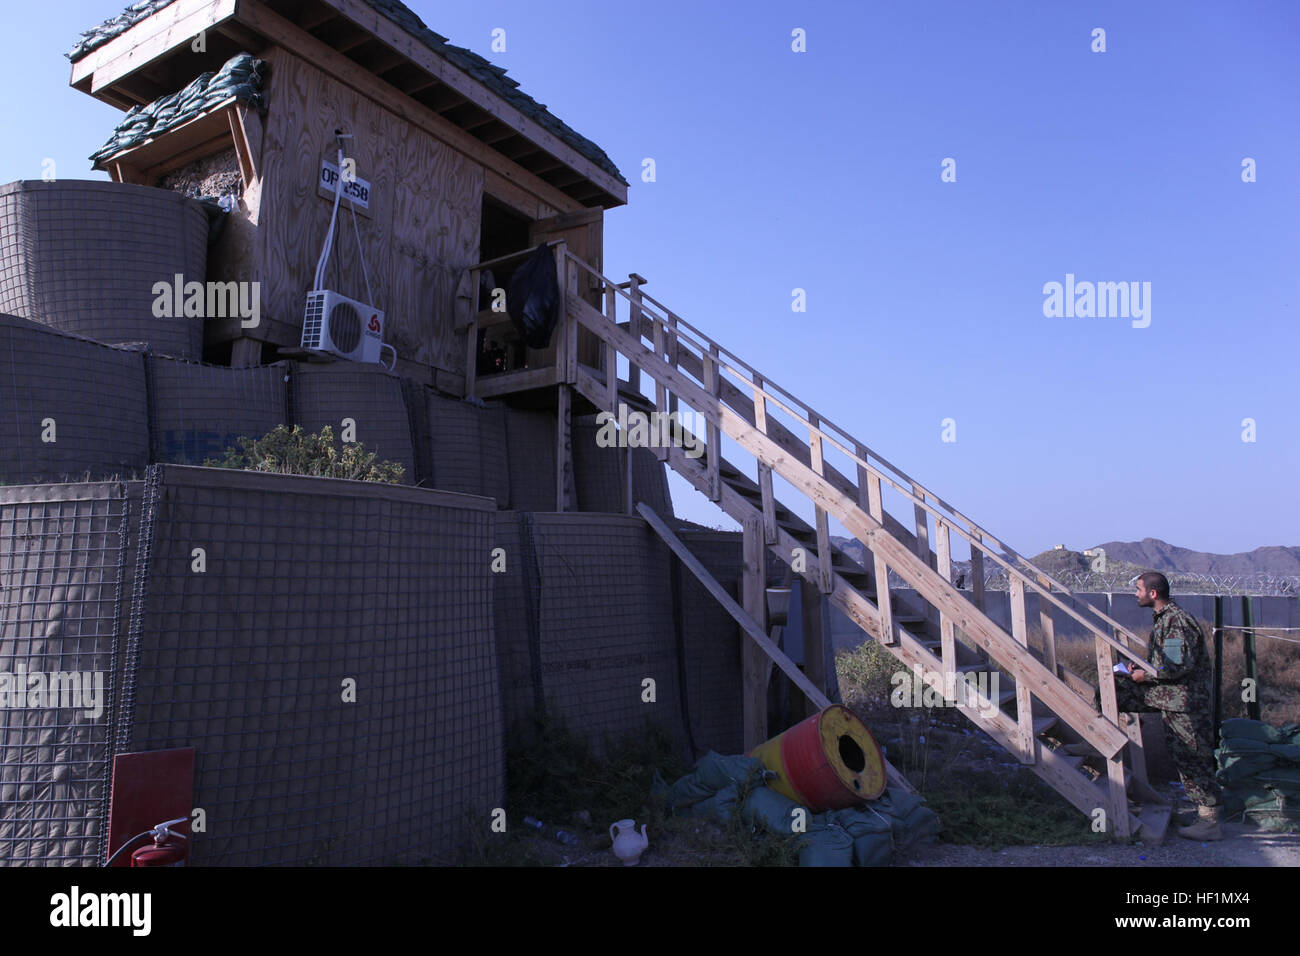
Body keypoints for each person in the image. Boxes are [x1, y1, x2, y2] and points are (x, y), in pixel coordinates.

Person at [1118, 571, 1222, 840]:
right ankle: (1093, 734)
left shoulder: (1175, 622)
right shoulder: (1166, 619)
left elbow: (1176, 666)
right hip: (1170, 695)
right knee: (1116, 687)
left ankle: (1210, 821)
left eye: (1138, 589)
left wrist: (1147, 674)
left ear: (1153, 593)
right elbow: (1167, 662)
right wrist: (1140, 668)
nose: (1136, 594)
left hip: (1183, 701)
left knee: (1192, 756)